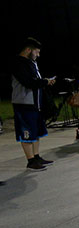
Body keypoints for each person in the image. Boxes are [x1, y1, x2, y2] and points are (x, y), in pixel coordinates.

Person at [10, 37, 56, 171]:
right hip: (24, 104)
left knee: (36, 131)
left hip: (35, 103)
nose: (38, 55)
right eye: (36, 52)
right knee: (27, 133)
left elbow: (36, 80)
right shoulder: (18, 63)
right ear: (28, 50)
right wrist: (45, 82)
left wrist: (45, 81)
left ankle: (36, 157)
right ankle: (30, 161)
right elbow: (28, 82)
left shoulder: (31, 63)